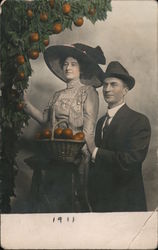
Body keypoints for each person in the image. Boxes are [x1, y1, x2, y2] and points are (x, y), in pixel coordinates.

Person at [23, 43, 106, 213]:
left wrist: (83, 156)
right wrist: (25, 104)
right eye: (66, 64)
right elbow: (44, 119)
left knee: (73, 203)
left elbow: (89, 129)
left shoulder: (88, 92)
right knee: (47, 202)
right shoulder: (57, 95)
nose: (68, 67)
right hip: (54, 153)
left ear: (81, 69)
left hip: (76, 157)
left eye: (73, 64)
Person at [87, 61, 151, 212]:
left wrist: (94, 151)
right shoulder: (101, 122)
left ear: (125, 90)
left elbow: (130, 160)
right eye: (105, 84)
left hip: (126, 203)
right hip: (100, 202)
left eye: (113, 84)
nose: (107, 89)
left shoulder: (138, 121)